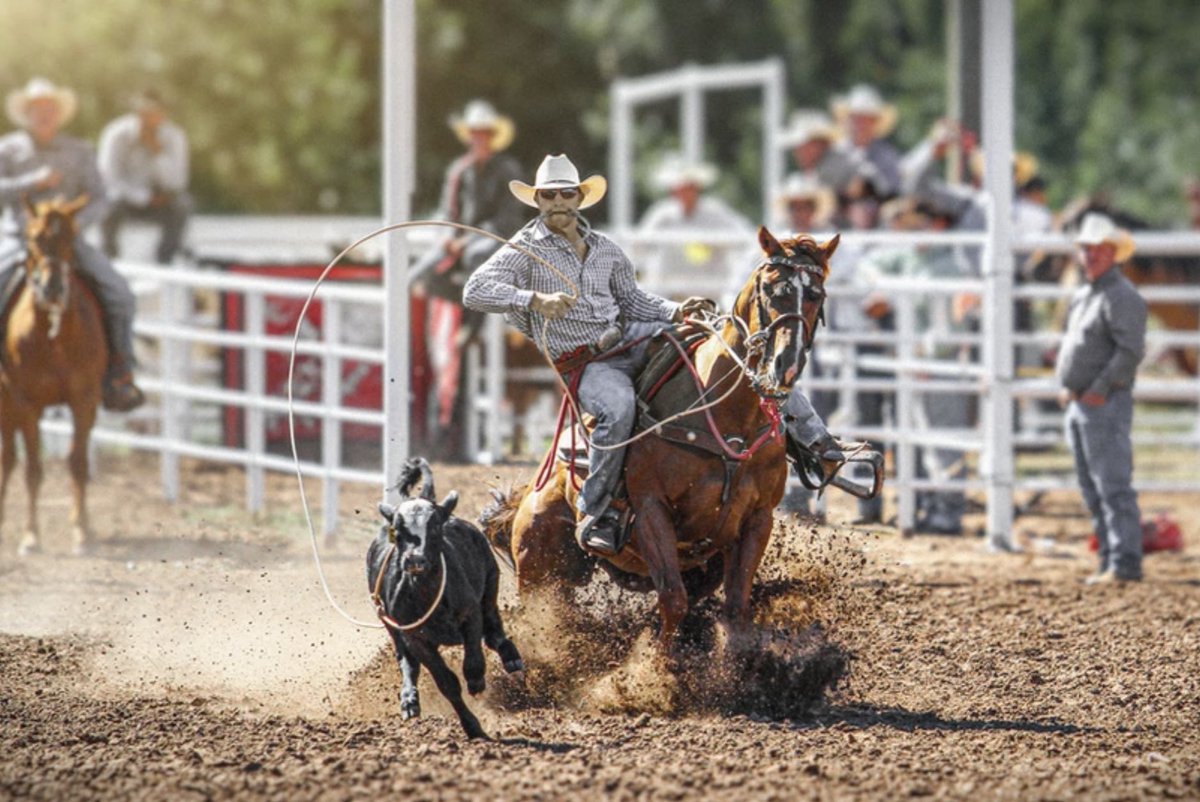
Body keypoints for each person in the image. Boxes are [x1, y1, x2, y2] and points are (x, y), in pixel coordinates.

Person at [464, 153, 715, 554]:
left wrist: (676, 311)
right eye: (549, 195)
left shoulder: (605, 248)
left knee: (705, 346)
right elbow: (474, 290)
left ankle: (802, 439)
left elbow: (632, 300)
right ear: (538, 200)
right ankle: (597, 510)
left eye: (566, 194)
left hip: (630, 337)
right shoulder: (523, 250)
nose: (558, 202)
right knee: (618, 408)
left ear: (579, 198)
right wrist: (534, 299)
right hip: (586, 363)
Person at [0, 77, 144, 411]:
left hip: (67, 242)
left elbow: (101, 196)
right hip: (20, 239)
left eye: (50, 109)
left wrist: (77, 223)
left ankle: (120, 372)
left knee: (120, 294)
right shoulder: (8, 150)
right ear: (27, 114)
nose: (44, 115)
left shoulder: (80, 151)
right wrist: (31, 182)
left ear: (59, 114)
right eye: (38, 109)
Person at [414, 99, 525, 460]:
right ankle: (447, 310)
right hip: (465, 244)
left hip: (491, 243)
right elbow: (449, 213)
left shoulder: (507, 170)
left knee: (478, 258)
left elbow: (507, 221)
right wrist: (449, 236)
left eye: (484, 133)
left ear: (491, 136)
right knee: (420, 269)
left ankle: (471, 321)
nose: (480, 138)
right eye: (476, 133)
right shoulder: (459, 172)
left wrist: (462, 239)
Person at [1055, 213, 1147, 584]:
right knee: (1095, 487)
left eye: (1098, 249)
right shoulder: (1091, 294)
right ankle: (1112, 558)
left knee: (1110, 486)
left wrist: (1099, 388)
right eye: (1086, 248)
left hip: (1100, 402)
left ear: (1112, 253)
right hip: (1084, 401)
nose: (1090, 255)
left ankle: (1122, 561)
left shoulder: (1119, 296)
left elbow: (1130, 352)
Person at [635, 153, 753, 294]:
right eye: (681, 188)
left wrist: (717, 244)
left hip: (708, 292)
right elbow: (639, 246)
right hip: (669, 292)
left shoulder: (715, 213)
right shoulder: (662, 215)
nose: (685, 192)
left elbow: (744, 236)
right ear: (674, 191)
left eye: (689, 187)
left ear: (697, 188)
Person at [97, 88, 192, 264]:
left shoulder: (174, 136)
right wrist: (144, 197)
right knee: (106, 206)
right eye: (145, 113)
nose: (149, 118)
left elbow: (177, 182)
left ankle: (166, 261)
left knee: (182, 205)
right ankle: (109, 260)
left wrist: (158, 152)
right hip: (124, 198)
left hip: (160, 201)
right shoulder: (116, 134)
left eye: (155, 113)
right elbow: (108, 178)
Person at [830, 84, 903, 199]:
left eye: (866, 119)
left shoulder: (887, 155)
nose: (861, 124)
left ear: (875, 123)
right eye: (856, 118)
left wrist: (870, 179)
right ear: (848, 120)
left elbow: (893, 188)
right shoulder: (836, 151)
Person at [780, 109, 857, 195]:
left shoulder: (834, 170)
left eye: (805, 146)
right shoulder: (816, 172)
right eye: (798, 147)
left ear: (823, 144)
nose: (799, 152)